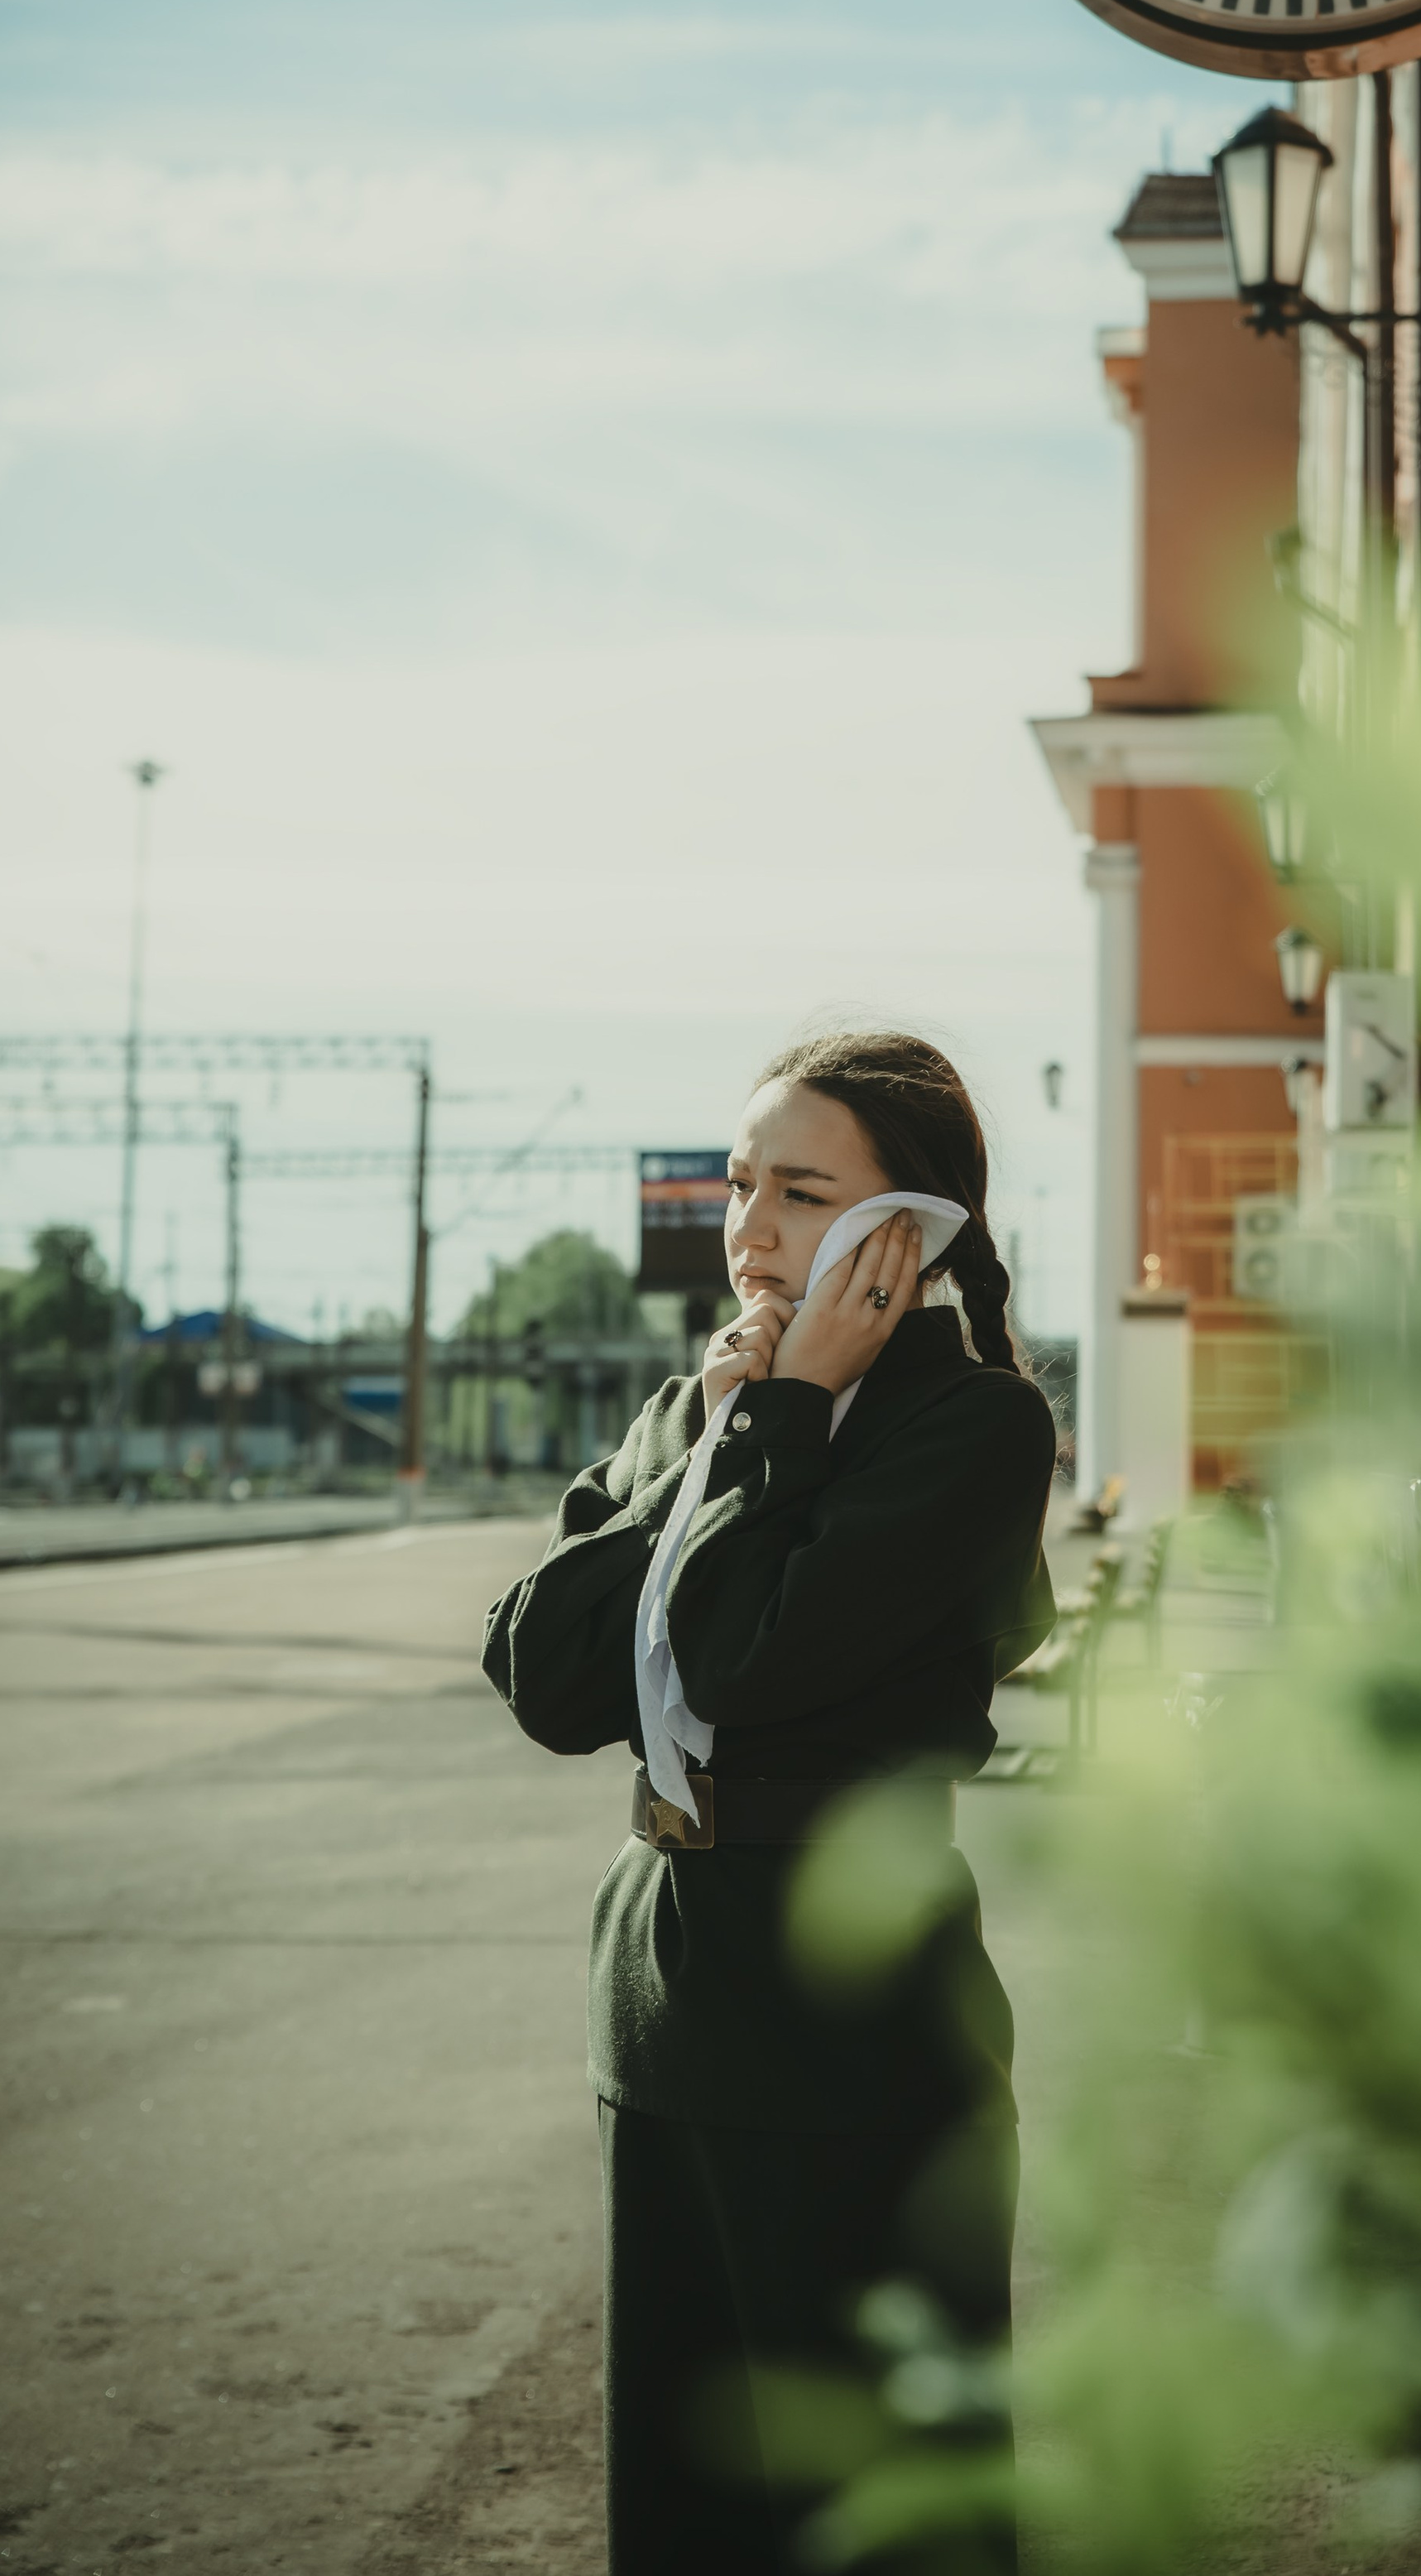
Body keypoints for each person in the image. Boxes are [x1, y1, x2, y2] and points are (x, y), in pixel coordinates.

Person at [482, 1030, 1057, 2576]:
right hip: (663, 1987)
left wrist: (785, 1415)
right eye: (741, 1187)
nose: (750, 1231)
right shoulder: (700, 1403)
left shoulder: (977, 1427)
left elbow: (745, 1658)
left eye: (802, 1194)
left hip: (849, 2003)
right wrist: (733, 1427)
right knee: (687, 2503)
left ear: (909, 1230)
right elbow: (546, 1672)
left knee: (881, 2503)